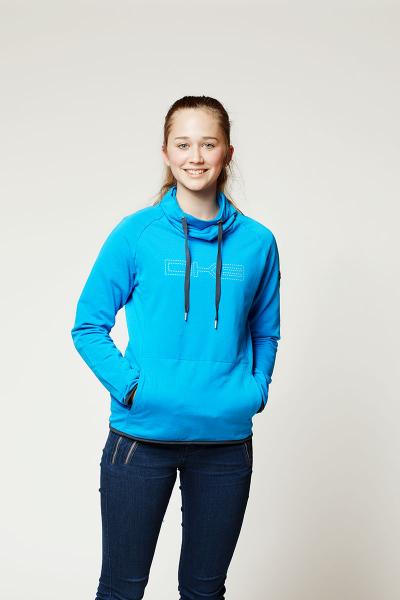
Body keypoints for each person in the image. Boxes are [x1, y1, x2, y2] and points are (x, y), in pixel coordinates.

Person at [71, 95, 281, 600]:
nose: (195, 157)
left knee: (205, 592)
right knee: (121, 589)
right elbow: (88, 325)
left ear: (227, 152)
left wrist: (252, 392)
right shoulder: (136, 234)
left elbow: (265, 332)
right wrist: (132, 389)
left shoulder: (258, 243)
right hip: (141, 438)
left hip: (225, 441)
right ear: (165, 153)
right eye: (183, 145)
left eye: (208, 144)